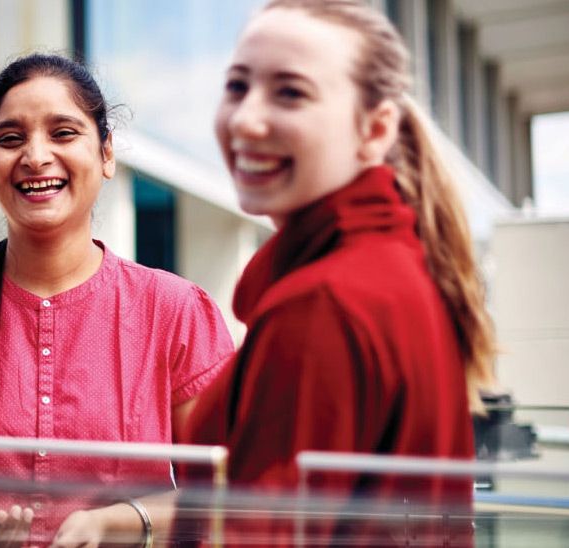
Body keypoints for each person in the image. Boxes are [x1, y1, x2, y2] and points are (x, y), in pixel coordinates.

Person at [0, 53, 235, 547]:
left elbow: (228, 488)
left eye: (63, 133)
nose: (35, 156)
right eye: (10, 139)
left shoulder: (177, 313)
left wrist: (120, 522)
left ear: (106, 154)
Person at [177, 0, 496, 544]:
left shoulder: (323, 302)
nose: (247, 118)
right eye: (237, 86)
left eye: (290, 93)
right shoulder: (401, 265)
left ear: (375, 129)